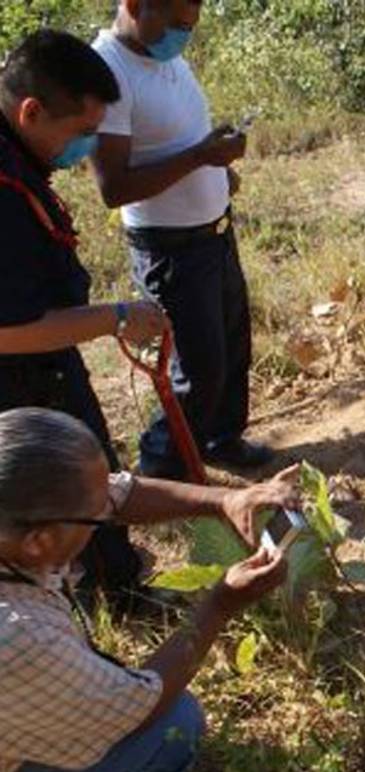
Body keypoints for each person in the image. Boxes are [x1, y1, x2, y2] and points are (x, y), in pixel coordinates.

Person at [0, 407, 298, 772]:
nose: (107, 508)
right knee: (175, 726)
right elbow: (140, 707)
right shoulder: (20, 637)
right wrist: (221, 604)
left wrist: (226, 500)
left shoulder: (16, 523)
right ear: (38, 542)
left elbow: (119, 495)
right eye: (96, 518)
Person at [0, 29, 171, 603]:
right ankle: (107, 598)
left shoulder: (17, 159)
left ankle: (111, 578)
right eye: (82, 133)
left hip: (47, 368)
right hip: (22, 384)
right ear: (31, 111)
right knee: (67, 487)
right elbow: (8, 332)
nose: (89, 148)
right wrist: (116, 316)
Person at [91, 0, 273, 481]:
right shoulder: (108, 71)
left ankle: (219, 441)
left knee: (232, 348)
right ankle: (160, 472)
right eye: (175, 24)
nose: (183, 36)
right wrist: (201, 158)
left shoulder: (165, 54)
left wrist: (220, 170)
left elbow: (179, 140)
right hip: (171, 249)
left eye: (190, 27)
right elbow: (114, 187)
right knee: (198, 369)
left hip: (214, 232)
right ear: (134, 5)